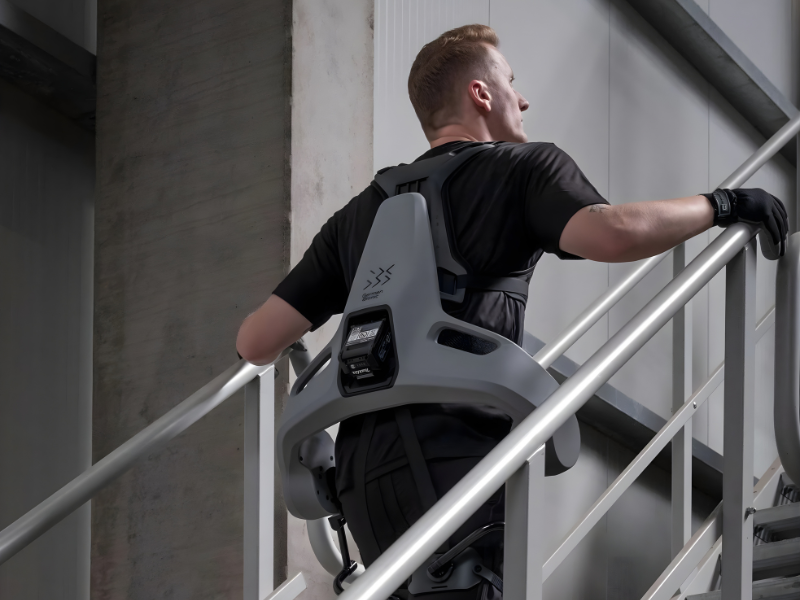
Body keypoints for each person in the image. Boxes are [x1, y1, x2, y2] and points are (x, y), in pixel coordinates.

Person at [237, 24, 787, 598]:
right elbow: (613, 234)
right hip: (460, 454)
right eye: (510, 82)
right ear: (481, 93)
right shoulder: (524, 168)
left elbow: (256, 342)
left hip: (360, 478)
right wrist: (722, 204)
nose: (521, 99)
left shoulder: (359, 214)